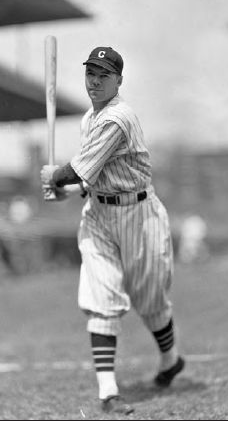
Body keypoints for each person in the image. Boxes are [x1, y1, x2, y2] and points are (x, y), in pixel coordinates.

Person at [40, 46, 185, 415]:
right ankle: (108, 392)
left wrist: (56, 176)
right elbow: (92, 177)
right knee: (100, 300)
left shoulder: (117, 118)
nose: (96, 81)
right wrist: (68, 192)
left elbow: (75, 168)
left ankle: (171, 360)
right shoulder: (90, 117)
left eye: (104, 75)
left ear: (119, 81)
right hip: (99, 217)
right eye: (91, 73)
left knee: (151, 302)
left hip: (140, 215)